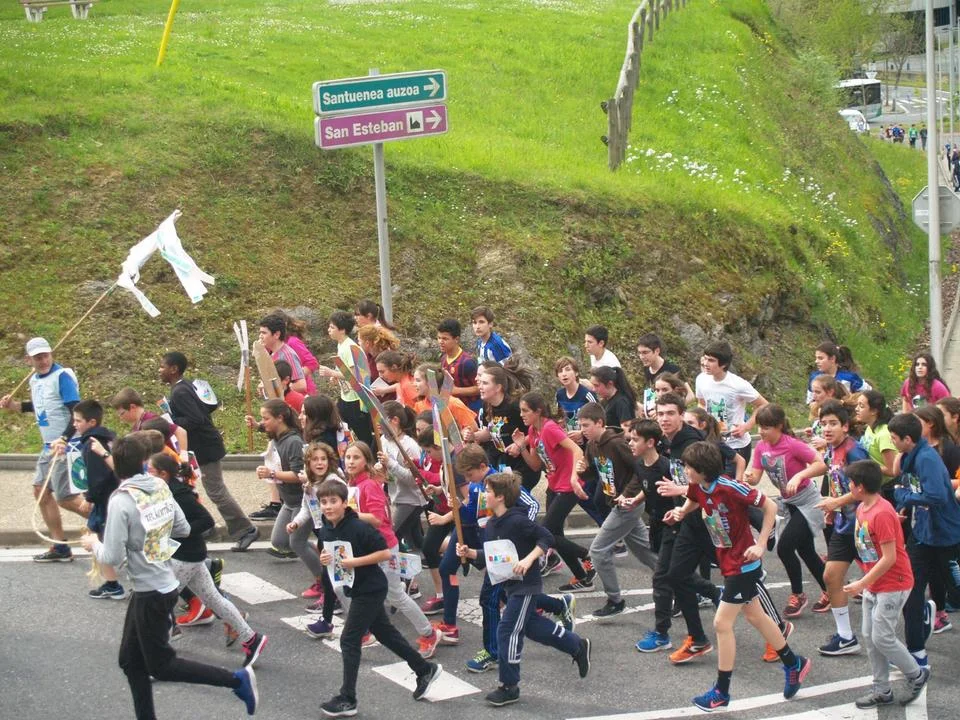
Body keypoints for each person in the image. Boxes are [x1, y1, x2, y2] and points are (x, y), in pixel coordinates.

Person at [79, 436, 259, 719]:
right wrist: (152, 535)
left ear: (116, 466)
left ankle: (236, 680)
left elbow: (111, 557)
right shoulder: (159, 486)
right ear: (143, 462)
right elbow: (183, 528)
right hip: (157, 585)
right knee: (130, 661)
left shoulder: (121, 500)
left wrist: (93, 544)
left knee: (161, 666)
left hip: (150, 592)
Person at [670, 442, 810, 711]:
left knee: (721, 623)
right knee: (756, 616)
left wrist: (761, 543)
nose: (685, 470)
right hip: (728, 560)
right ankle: (794, 663)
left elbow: (770, 506)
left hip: (744, 564)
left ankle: (721, 692)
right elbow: (694, 498)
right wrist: (681, 511)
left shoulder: (730, 487)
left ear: (702, 469)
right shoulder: (698, 485)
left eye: (688, 467)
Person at [456, 471, 591, 707]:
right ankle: (576, 645)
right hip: (509, 586)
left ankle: (509, 686)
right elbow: (493, 556)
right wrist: (471, 553)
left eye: (488, 491)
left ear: (500, 496)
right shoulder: (491, 524)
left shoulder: (518, 520)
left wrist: (529, 559)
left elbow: (547, 538)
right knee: (533, 628)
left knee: (507, 630)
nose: (484, 495)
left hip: (526, 586)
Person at [313, 478, 442, 717]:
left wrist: (355, 562)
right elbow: (327, 550)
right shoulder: (326, 527)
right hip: (355, 587)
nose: (328, 506)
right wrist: (324, 557)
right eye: (324, 502)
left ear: (345, 503)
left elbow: (384, 553)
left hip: (371, 588)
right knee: (385, 633)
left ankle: (348, 698)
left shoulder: (359, 527)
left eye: (333, 501)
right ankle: (424, 669)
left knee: (349, 640)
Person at [150, 452, 268, 666]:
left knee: (157, 604)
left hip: (185, 557)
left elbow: (206, 520)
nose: (147, 475)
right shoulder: (165, 490)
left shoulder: (179, 495)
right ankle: (252, 639)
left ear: (163, 474)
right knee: (214, 600)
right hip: (190, 556)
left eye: (150, 471)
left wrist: (179, 531)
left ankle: (157, 655)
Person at [341, 442, 441, 659]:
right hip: (366, 547)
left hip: (383, 546)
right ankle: (363, 631)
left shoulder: (369, 485)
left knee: (395, 596)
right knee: (363, 590)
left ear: (366, 461)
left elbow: (378, 519)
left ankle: (429, 633)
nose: (350, 461)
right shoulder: (352, 484)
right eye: (348, 457)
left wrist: (348, 514)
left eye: (356, 457)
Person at [844, 460, 929, 709]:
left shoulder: (881, 512)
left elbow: (890, 558)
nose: (849, 487)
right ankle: (882, 690)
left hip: (893, 583)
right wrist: (867, 581)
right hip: (875, 582)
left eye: (850, 483)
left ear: (860, 487)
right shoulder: (863, 508)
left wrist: (862, 583)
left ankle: (916, 674)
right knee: (871, 637)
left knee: (882, 637)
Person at [160, 351, 259, 552]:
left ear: (174, 369)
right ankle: (205, 526)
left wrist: (171, 421)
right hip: (203, 446)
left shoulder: (180, 392)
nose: (160, 370)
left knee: (216, 490)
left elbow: (196, 419)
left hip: (205, 447)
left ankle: (246, 530)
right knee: (193, 487)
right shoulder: (185, 386)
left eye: (163, 366)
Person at [1, 337, 86, 562]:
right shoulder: (34, 380)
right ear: (28, 360)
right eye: (38, 357)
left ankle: (106, 521)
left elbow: (77, 411)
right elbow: (41, 407)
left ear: (51, 354)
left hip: (67, 444)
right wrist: (15, 406)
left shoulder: (62, 377)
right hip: (48, 445)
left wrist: (65, 439)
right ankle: (60, 546)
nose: (43, 360)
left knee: (66, 498)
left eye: (45, 355)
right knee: (41, 491)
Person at [890, 412, 960, 672]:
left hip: (945, 537)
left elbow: (937, 496)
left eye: (894, 438)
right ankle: (916, 652)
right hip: (922, 536)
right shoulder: (911, 456)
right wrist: (904, 503)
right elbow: (910, 487)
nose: (892, 442)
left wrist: (904, 497)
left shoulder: (927, 458)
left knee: (956, 593)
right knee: (910, 589)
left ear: (907, 439)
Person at [746, 405, 827, 619]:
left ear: (779, 426)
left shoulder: (792, 445)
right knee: (806, 551)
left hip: (808, 501)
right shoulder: (761, 447)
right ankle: (829, 589)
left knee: (785, 548)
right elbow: (756, 476)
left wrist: (799, 476)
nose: (762, 432)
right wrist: (750, 478)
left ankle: (798, 595)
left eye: (767, 427)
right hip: (789, 503)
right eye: (760, 427)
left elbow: (820, 464)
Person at [512, 392, 593, 593]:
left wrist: (574, 478)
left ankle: (588, 556)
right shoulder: (533, 431)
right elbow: (535, 465)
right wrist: (522, 447)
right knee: (555, 535)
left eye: (525, 411)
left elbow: (577, 450)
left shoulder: (549, 428)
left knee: (545, 532)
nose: (521, 415)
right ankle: (582, 578)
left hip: (569, 485)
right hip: (554, 485)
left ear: (538, 411)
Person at [584, 414, 658, 616]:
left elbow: (639, 469)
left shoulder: (616, 444)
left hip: (628, 505)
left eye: (586, 424)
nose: (582, 429)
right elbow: (595, 473)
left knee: (598, 551)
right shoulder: (592, 446)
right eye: (581, 425)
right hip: (617, 503)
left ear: (599, 423)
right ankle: (681, 583)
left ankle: (615, 600)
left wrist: (627, 493)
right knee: (644, 551)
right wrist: (582, 472)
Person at [815, 400, 871, 654]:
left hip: (863, 526)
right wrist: (833, 508)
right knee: (831, 576)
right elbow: (836, 482)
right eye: (823, 424)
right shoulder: (831, 450)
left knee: (883, 582)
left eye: (833, 424)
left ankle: (916, 610)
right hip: (842, 525)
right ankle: (846, 636)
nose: (827, 429)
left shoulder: (854, 451)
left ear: (845, 426)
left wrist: (837, 502)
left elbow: (866, 489)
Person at [68, 399, 124, 598]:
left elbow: (97, 476)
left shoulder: (91, 445)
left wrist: (89, 498)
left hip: (105, 500)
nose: (74, 424)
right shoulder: (109, 437)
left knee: (96, 538)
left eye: (78, 421)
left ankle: (112, 584)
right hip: (117, 494)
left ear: (91, 422)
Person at [696, 340, 768, 463]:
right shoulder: (701, 379)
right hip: (712, 444)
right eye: (705, 358)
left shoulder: (738, 384)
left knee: (730, 476)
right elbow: (702, 404)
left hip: (736, 446)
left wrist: (746, 427)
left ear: (723, 364)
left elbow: (764, 405)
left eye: (711, 360)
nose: (706, 363)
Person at [316, 310, 374, 447]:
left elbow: (354, 376)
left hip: (356, 400)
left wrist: (331, 373)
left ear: (342, 330)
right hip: (346, 397)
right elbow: (344, 370)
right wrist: (336, 376)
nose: (329, 330)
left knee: (363, 435)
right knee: (337, 427)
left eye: (332, 327)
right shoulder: (341, 345)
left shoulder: (349, 347)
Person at [637, 332, 694, 416]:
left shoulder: (672, 370)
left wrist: (669, 409)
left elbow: (690, 396)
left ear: (657, 351)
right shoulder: (647, 369)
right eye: (639, 353)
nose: (642, 357)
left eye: (645, 352)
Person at [271, 308, 319, 395]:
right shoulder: (274, 346)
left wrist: (295, 375)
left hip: (304, 394)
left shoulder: (292, 342)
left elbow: (312, 363)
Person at [437, 318, 481, 412]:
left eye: (445, 339)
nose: (441, 342)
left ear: (456, 339)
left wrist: (456, 391)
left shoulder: (467, 362)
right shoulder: (443, 359)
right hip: (452, 409)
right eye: (439, 338)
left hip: (470, 410)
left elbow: (480, 388)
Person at [805, 341, 868, 406]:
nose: (816, 361)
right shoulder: (814, 377)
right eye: (816, 358)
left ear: (832, 359)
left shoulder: (849, 377)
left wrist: (850, 401)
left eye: (820, 358)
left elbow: (868, 394)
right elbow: (810, 401)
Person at [257, 313, 307, 394]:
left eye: (264, 333)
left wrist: (272, 389)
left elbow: (301, 385)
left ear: (277, 334)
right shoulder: (271, 353)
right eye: (260, 333)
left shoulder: (287, 355)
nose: (260, 336)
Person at [589, 365, 636, 430]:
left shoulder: (621, 402)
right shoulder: (604, 402)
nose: (593, 389)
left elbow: (627, 430)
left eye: (596, 385)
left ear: (610, 384)